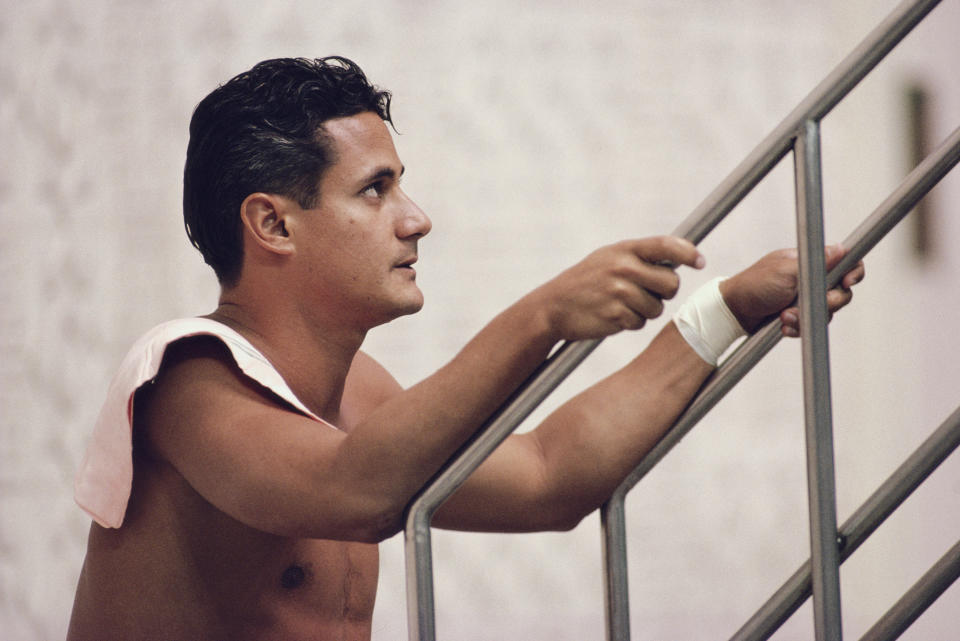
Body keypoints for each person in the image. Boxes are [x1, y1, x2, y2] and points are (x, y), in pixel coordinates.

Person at [67, 57, 864, 641]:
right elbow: (358, 493)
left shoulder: (361, 396)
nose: (415, 218)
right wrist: (544, 312)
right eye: (374, 189)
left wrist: (726, 310)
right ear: (273, 224)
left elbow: (551, 474)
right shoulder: (184, 378)